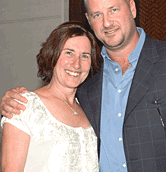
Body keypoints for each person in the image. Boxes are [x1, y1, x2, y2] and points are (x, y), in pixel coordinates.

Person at [1, 0, 166, 172]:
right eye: (97, 15)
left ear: (132, 8)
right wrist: (14, 100)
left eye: (113, 10)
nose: (106, 23)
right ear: (88, 20)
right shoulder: (87, 78)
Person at [1, 21, 101, 171]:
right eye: (69, 53)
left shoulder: (89, 108)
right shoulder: (24, 106)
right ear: (53, 54)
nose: (76, 64)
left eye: (85, 56)